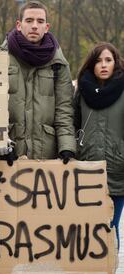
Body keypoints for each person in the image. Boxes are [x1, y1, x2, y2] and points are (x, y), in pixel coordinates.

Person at [0, 0, 76, 164]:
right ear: (19, 25)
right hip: (6, 155)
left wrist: (66, 147)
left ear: (47, 27)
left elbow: (64, 110)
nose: (34, 26)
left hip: (46, 156)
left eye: (40, 21)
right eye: (29, 20)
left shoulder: (58, 64)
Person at [74, 42, 124, 249]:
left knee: (109, 229)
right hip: (86, 172)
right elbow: (72, 124)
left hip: (117, 173)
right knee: (84, 231)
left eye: (108, 60)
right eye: (98, 61)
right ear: (91, 65)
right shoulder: (81, 91)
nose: (103, 65)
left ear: (116, 63)